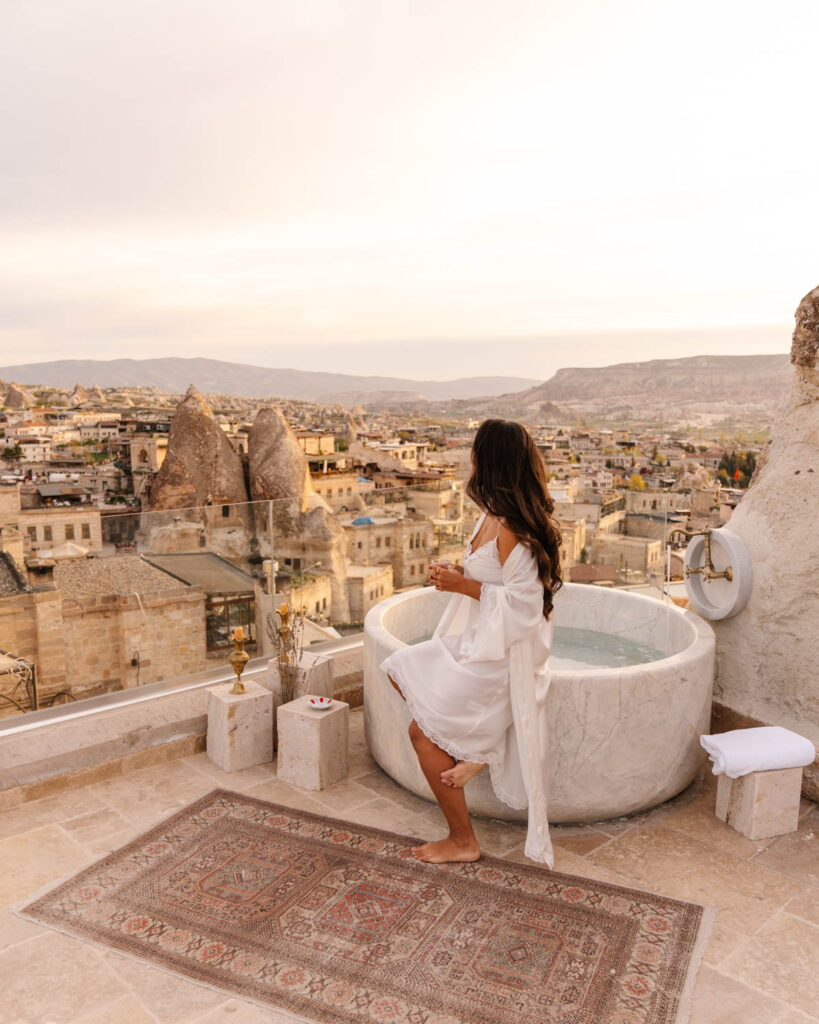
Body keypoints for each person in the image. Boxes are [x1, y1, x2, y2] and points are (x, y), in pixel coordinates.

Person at [381, 419, 563, 865]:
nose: (470, 458)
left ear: (491, 460)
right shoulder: (490, 516)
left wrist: (463, 588)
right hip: (480, 641)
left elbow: (525, 607)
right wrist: (458, 577)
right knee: (403, 669)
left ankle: (464, 837)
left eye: (476, 450)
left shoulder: (513, 529)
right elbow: (493, 582)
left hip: (503, 655)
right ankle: (481, 749)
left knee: (421, 734)